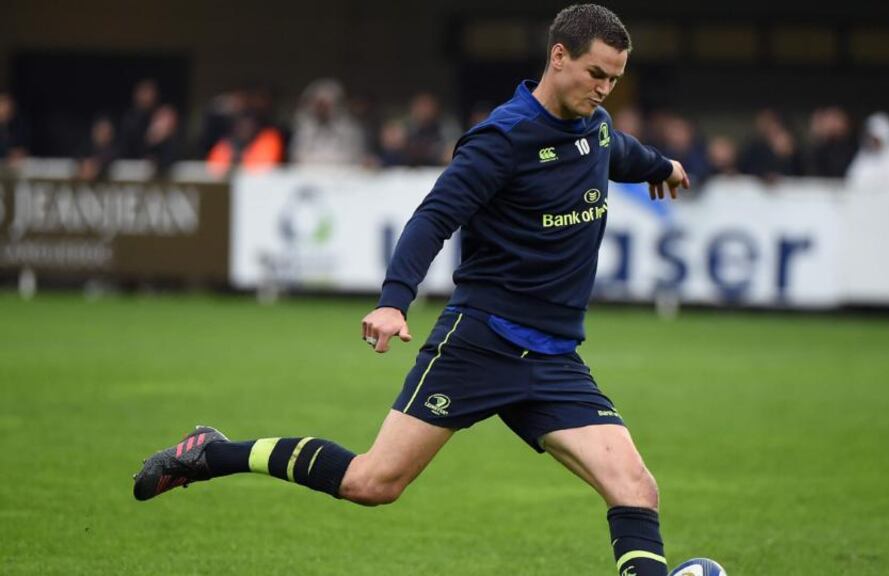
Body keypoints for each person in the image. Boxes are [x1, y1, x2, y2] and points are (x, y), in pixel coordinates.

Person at [133, 5, 690, 576]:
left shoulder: (593, 126)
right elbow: (432, 219)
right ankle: (214, 453)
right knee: (373, 483)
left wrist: (662, 165)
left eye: (615, 80)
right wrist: (393, 300)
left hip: (554, 358)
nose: (605, 90)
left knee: (636, 488)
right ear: (558, 56)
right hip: (480, 343)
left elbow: (614, 150)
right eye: (597, 74)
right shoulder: (502, 139)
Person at [290, 78, 367, 166]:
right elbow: (297, 158)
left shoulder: (351, 131)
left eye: (326, 105)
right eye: (318, 104)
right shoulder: (303, 130)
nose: (321, 110)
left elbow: (354, 159)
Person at [846, 112, 889, 190]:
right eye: (871, 138)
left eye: (876, 139)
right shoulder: (863, 155)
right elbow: (853, 179)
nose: (873, 142)